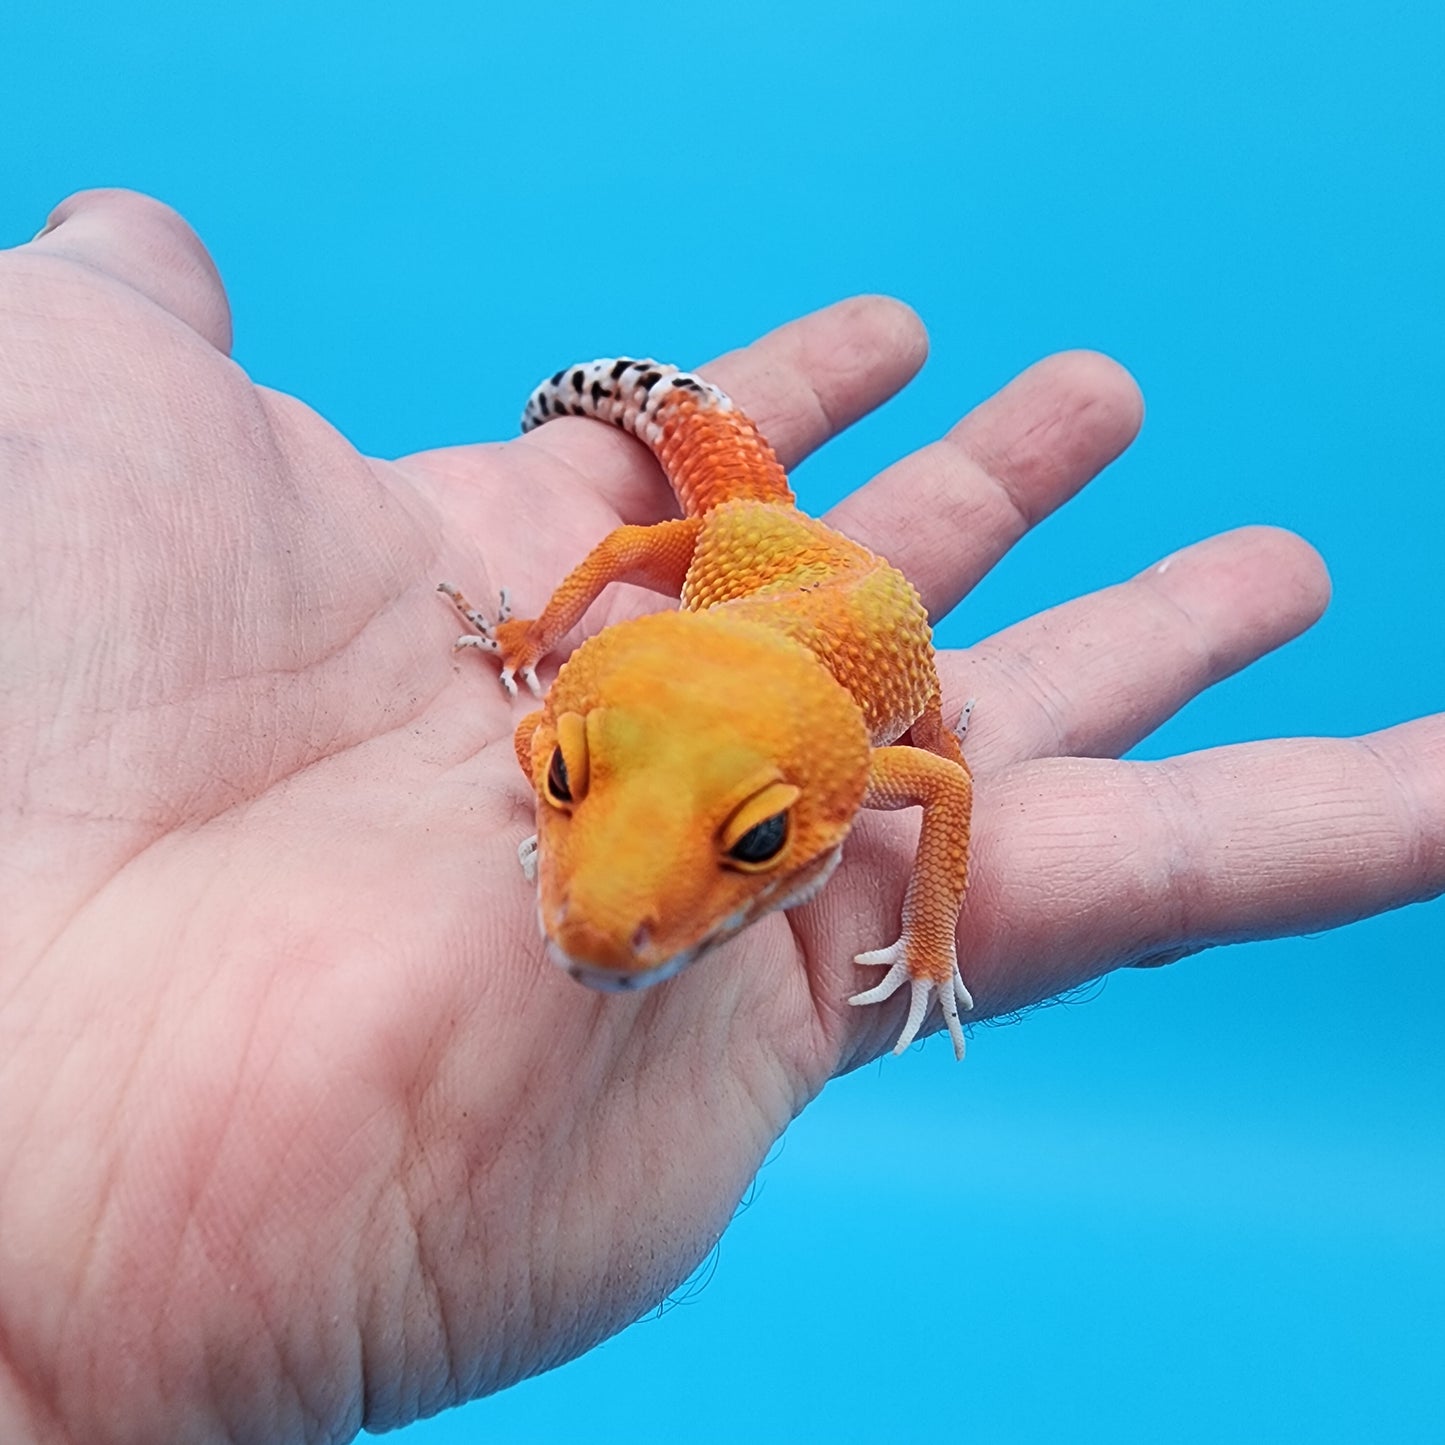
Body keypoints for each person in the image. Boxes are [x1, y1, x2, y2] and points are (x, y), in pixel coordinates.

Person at [1, 189, 1439, 1444]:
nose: (596, 907)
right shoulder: (633, 655)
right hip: (742, 569)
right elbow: (633, 552)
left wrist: (932, 927)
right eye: (563, 781)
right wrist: (530, 641)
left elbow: (935, 779)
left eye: (754, 842)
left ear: (812, 800)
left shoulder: (867, 757)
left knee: (933, 721)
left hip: (825, 628)